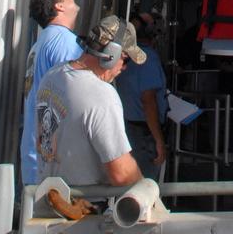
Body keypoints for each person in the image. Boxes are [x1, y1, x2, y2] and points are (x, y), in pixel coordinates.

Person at [35, 14, 146, 187]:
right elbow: (122, 174)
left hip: (46, 202)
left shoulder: (52, 76)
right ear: (112, 54)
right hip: (82, 210)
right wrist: (148, 196)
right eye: (125, 60)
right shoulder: (102, 95)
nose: (124, 68)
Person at [20, 0, 82, 185]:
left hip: (35, 159)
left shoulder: (40, 43)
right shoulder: (64, 43)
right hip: (53, 167)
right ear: (59, 7)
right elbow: (77, 96)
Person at [115, 13, 169, 180]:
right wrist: (158, 140)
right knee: (146, 186)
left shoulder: (123, 55)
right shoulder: (147, 58)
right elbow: (148, 101)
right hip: (143, 132)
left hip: (127, 127)